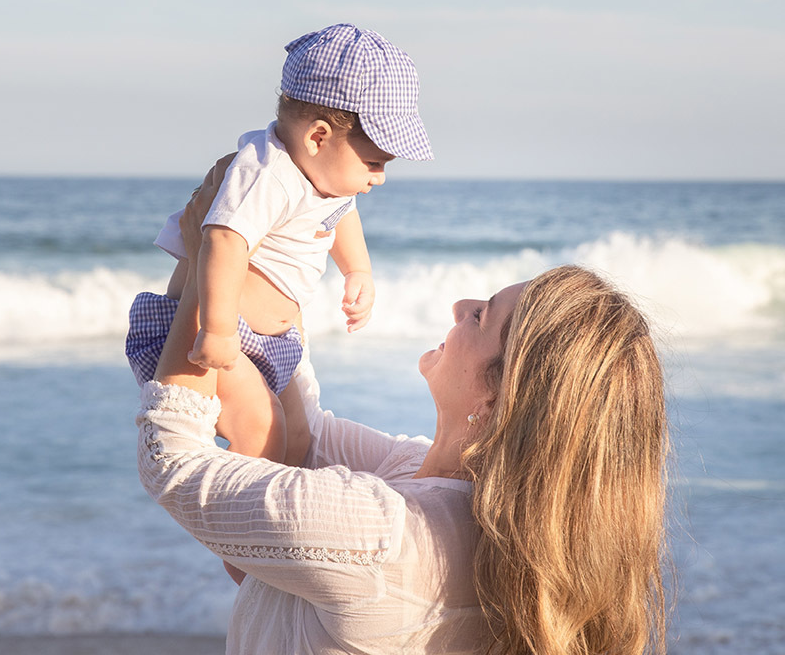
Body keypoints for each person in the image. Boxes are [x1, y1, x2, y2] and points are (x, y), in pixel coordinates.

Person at [133, 162, 670, 655]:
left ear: (496, 394)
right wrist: (279, 262)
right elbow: (308, 434)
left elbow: (173, 461)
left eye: (481, 317)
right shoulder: (458, 498)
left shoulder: (384, 534)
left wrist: (214, 261)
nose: (461, 305)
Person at [126, 23, 433, 465]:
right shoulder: (267, 173)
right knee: (261, 427)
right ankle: (247, 512)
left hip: (273, 342)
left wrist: (357, 270)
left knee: (299, 440)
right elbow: (223, 242)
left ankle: (287, 516)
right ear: (318, 137)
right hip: (214, 328)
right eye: (373, 162)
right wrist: (217, 329)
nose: (379, 177)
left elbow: (342, 213)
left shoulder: (325, 178)